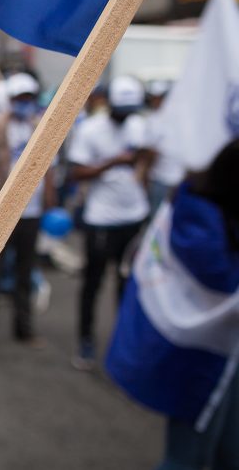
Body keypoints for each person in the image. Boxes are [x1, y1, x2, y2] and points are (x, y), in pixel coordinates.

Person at [105, 139, 239, 469]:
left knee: (225, 448)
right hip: (200, 353)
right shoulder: (197, 204)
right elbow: (216, 274)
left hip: (224, 353)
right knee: (188, 454)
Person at [0, 73, 56, 347]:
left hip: (31, 210)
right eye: (19, 98)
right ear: (10, 99)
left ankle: (24, 329)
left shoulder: (41, 126)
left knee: (25, 271)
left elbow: (51, 163)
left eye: (28, 98)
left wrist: (51, 196)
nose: (24, 103)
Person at [67, 75, 151, 370]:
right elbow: (76, 173)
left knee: (127, 285)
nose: (127, 116)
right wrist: (112, 163)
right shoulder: (91, 129)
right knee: (93, 282)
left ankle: (123, 345)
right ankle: (86, 341)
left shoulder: (139, 125)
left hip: (134, 217)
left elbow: (147, 162)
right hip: (101, 220)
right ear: (110, 104)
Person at [143, 80, 185, 214]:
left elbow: (151, 154)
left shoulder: (154, 120)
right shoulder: (180, 117)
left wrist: (144, 178)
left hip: (164, 180)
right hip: (170, 179)